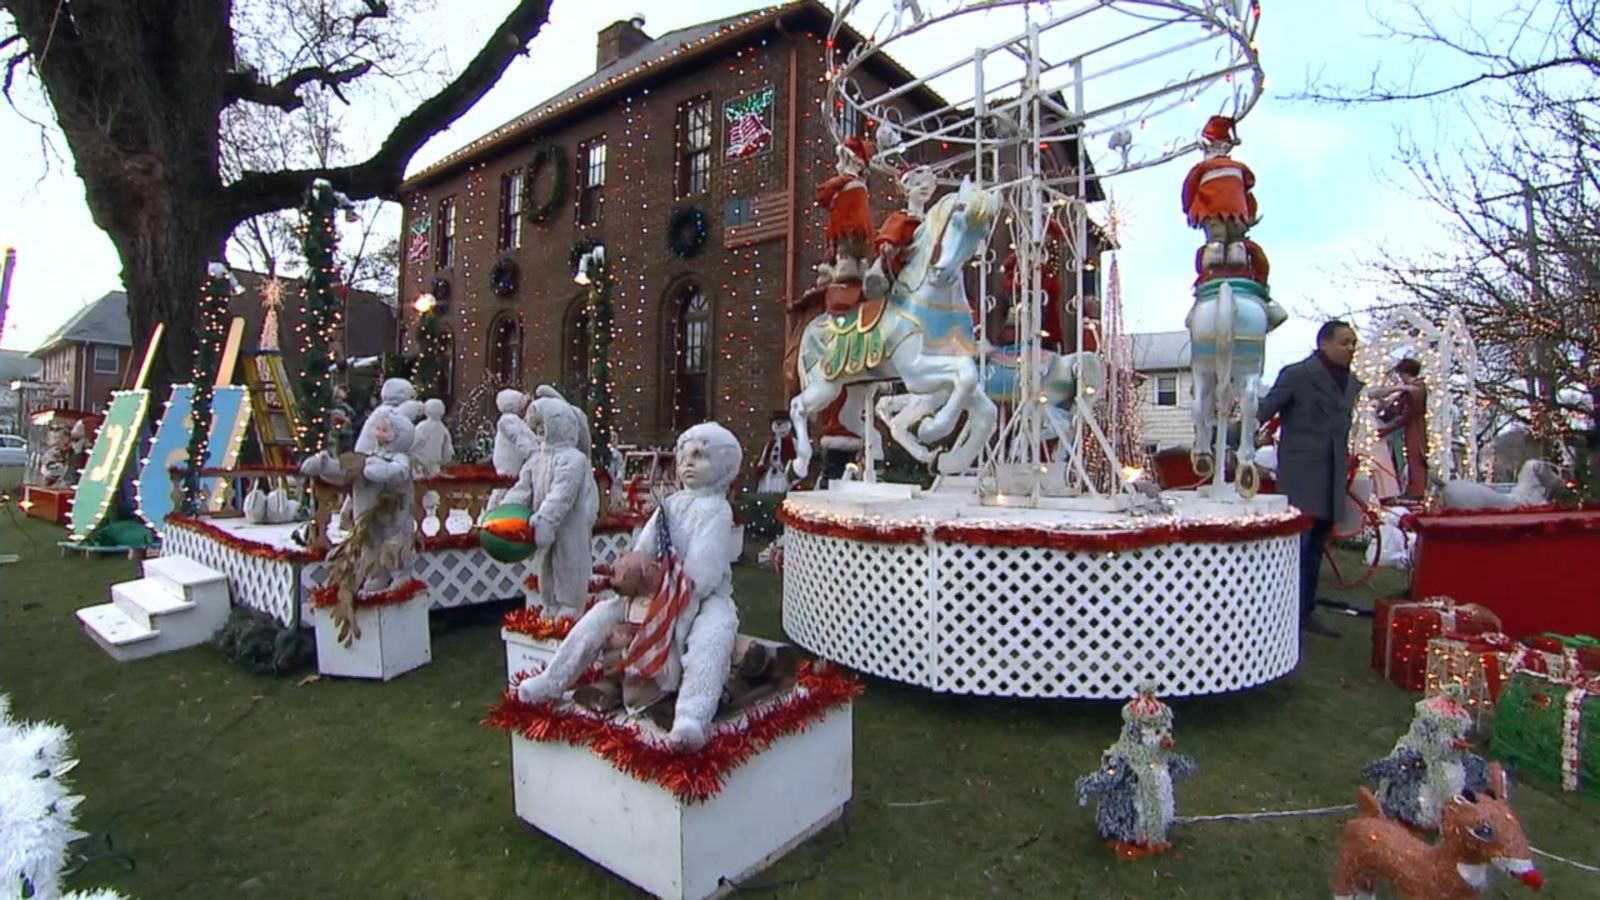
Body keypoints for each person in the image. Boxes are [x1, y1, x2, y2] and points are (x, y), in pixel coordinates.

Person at [1257, 320, 1363, 638]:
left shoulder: (1351, 383)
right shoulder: (1298, 375)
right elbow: (1264, 410)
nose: (1350, 348)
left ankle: (1306, 611)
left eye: (1353, 342)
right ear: (1324, 344)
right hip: (1302, 474)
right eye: (1344, 342)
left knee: (1317, 547)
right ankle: (1283, 612)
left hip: (1331, 474)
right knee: (1297, 549)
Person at [1371, 358, 1428, 500]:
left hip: (1414, 426)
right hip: (1409, 425)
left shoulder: (1415, 389)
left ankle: (1417, 490)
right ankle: (1414, 488)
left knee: (1415, 455)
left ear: (1404, 373)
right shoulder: (1411, 388)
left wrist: (1387, 428)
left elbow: (1407, 414)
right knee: (1411, 455)